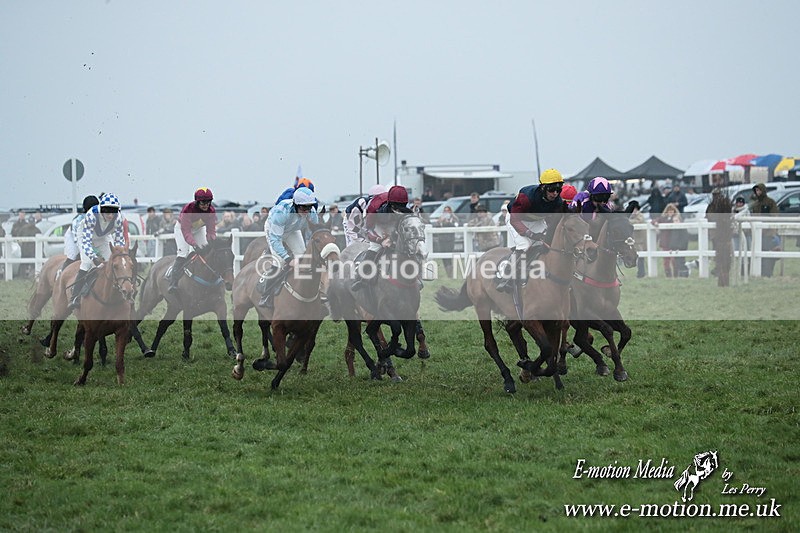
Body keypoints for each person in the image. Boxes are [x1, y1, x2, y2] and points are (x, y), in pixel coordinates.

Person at [496, 168, 565, 292]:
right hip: (515, 218)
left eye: (558, 190)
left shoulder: (558, 201)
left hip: (536, 220)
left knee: (545, 244)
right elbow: (515, 220)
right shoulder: (526, 196)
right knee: (525, 245)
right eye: (551, 189)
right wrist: (531, 234)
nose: (555, 193)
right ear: (543, 187)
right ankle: (507, 276)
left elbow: (553, 221)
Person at [258, 186, 320, 307]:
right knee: (280, 263)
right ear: (295, 204)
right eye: (303, 207)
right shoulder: (281, 212)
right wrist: (288, 259)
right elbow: (275, 240)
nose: (306, 210)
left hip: (292, 230)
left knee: (303, 258)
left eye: (309, 207)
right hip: (274, 231)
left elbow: (316, 230)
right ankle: (266, 295)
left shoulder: (311, 212)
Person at [69, 193, 126, 309]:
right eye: (108, 212)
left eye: (113, 212)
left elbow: (120, 241)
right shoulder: (91, 215)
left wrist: (120, 256)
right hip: (85, 235)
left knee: (112, 262)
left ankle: (116, 292)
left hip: (103, 237)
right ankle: (74, 296)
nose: (110, 216)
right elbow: (86, 241)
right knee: (87, 263)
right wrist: (93, 257)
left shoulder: (119, 218)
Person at [351, 185, 412, 292]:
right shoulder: (374, 208)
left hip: (394, 228)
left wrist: (394, 237)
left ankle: (417, 278)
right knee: (375, 248)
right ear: (390, 204)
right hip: (377, 227)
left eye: (402, 207)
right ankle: (361, 278)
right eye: (397, 207)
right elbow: (366, 230)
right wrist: (380, 240)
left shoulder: (406, 210)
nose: (399, 210)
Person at [168, 187, 217, 293]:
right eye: (203, 203)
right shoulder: (188, 210)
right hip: (182, 229)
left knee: (206, 251)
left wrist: (212, 242)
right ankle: (173, 282)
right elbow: (186, 232)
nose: (206, 205)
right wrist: (194, 244)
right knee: (183, 253)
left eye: (208, 202)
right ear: (197, 201)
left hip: (199, 229)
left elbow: (211, 231)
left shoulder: (211, 211)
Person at [750, 183, 780, 277]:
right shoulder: (755, 204)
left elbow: (774, 217)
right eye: (756, 190)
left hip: (769, 234)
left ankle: (768, 273)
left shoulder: (771, 202)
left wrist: (769, 228)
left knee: (770, 255)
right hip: (758, 234)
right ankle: (761, 273)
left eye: (759, 190)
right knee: (759, 255)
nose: (758, 192)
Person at [63, 195, 100, 269]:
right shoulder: (78, 221)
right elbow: (78, 240)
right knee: (72, 256)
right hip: (73, 237)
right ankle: (61, 271)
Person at [651, 203, 686, 278]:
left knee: (674, 260)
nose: (670, 212)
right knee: (666, 260)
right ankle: (668, 275)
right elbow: (654, 221)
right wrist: (655, 223)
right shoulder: (663, 218)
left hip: (674, 242)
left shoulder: (676, 218)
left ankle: (676, 274)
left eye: (672, 211)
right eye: (669, 211)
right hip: (665, 242)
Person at [434, 205, 458, 277]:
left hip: (450, 240)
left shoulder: (454, 218)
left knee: (449, 256)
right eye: (445, 210)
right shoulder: (441, 218)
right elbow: (436, 228)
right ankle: (448, 273)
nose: (446, 212)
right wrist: (439, 222)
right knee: (444, 257)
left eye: (448, 210)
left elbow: (456, 226)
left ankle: (451, 273)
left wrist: (449, 222)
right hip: (441, 240)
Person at [625, 200, 647, 278]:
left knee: (640, 257)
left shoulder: (639, 215)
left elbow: (639, 222)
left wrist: (629, 221)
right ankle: (640, 273)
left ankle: (641, 273)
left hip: (640, 240)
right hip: (633, 240)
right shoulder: (629, 216)